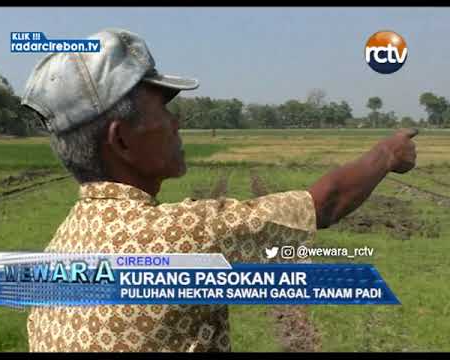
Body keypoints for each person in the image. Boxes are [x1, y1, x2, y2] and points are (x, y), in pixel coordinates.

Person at [21, 28, 417, 352]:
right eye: (163, 109)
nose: (176, 123)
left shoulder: (57, 249)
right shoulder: (180, 236)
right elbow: (324, 204)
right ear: (121, 140)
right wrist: (387, 153)